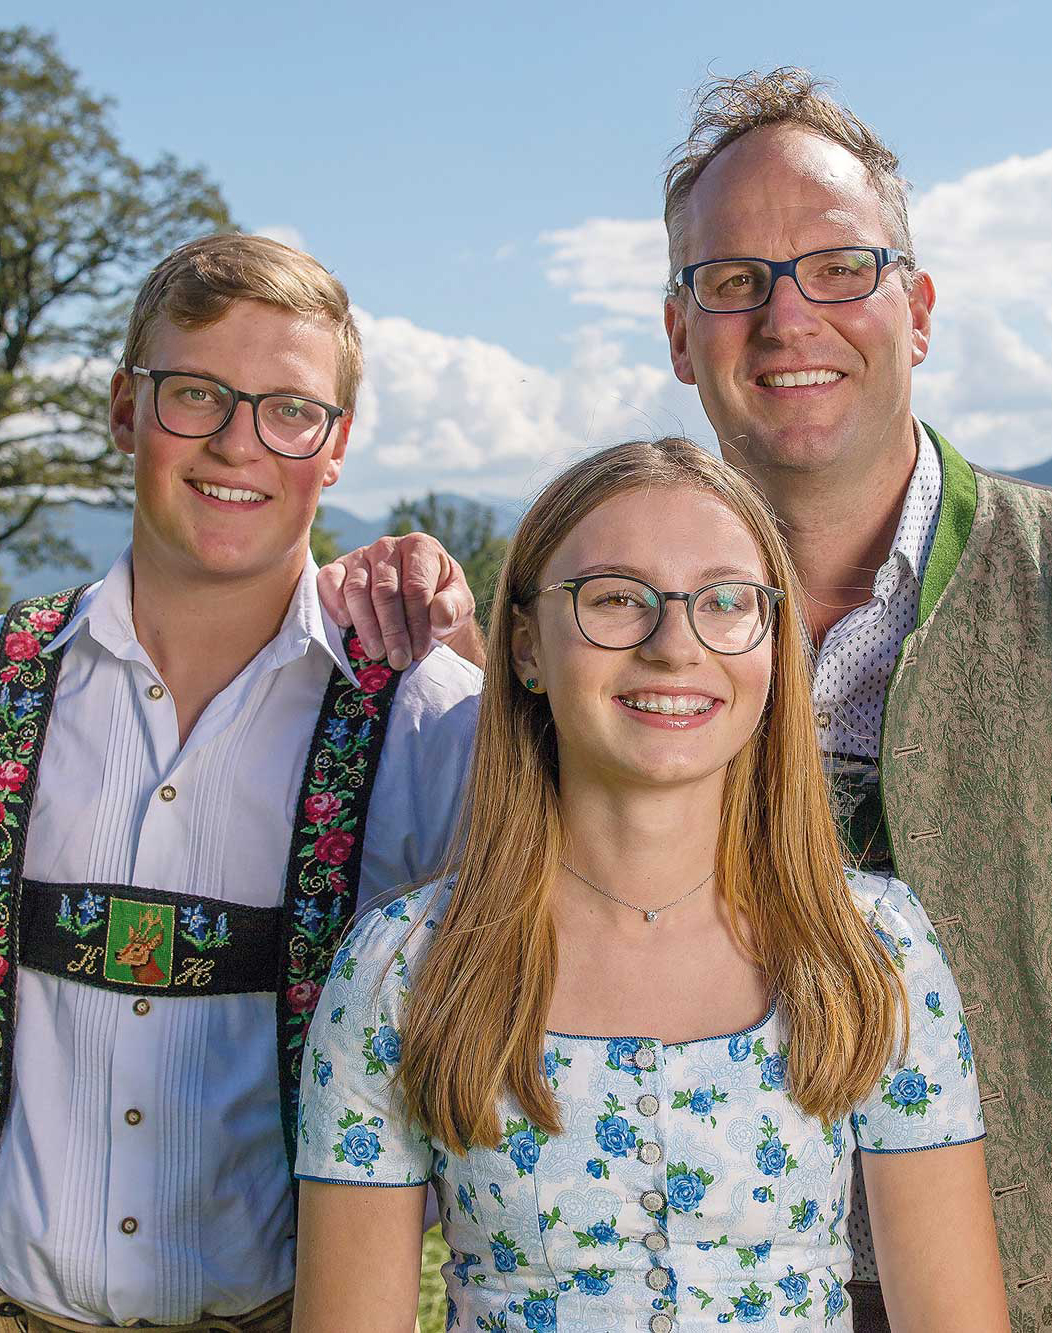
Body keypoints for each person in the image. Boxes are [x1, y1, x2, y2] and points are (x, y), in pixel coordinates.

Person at [333, 70, 1052, 1331]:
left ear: (920, 308)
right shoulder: (595, 645)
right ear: (680, 334)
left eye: (840, 267)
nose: (788, 318)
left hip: (1028, 1292)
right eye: (734, 281)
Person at [291, 437, 1011, 1333]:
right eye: (617, 599)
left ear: (773, 645)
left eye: (726, 602)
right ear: (524, 647)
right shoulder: (406, 965)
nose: (677, 646)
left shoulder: (871, 947)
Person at [0, 233, 481, 1331]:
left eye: (288, 409)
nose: (237, 443)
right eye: (196, 395)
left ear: (337, 446)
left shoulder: (427, 717)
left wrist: (481, 645)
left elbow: (547, 964)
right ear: (126, 409)